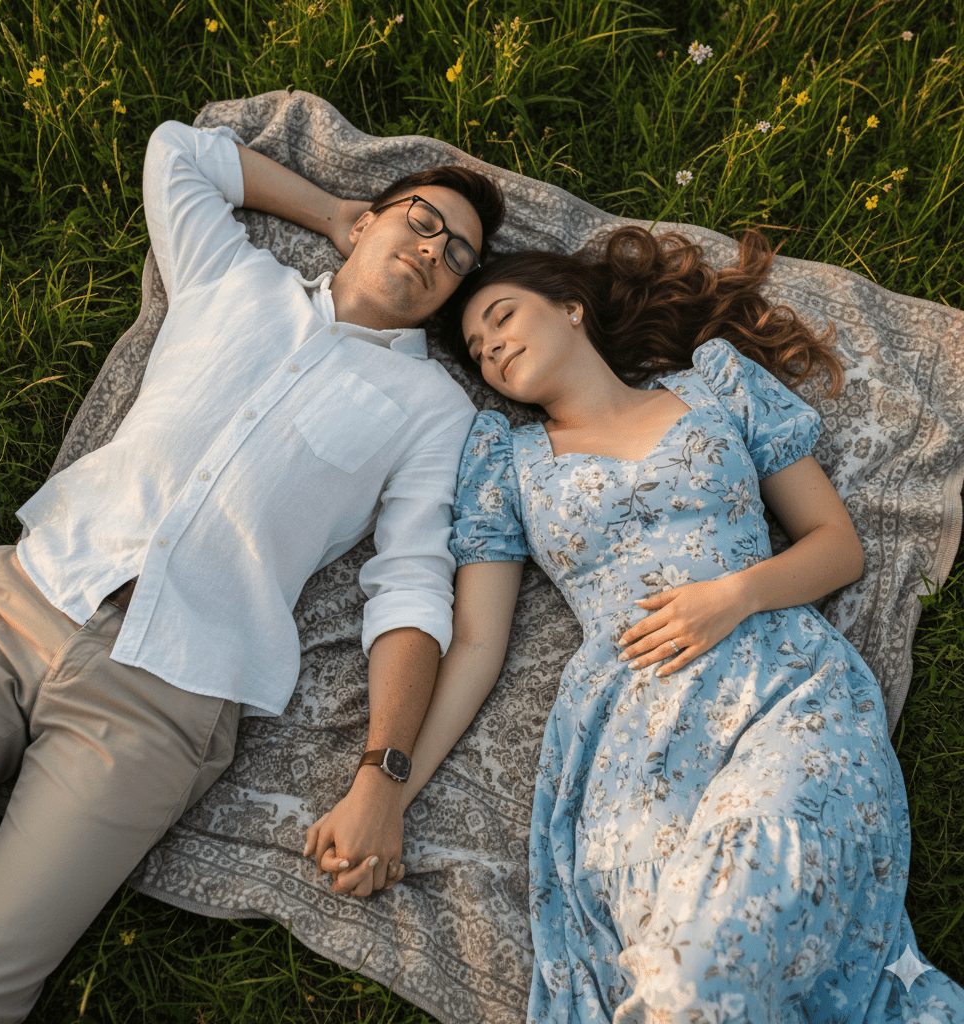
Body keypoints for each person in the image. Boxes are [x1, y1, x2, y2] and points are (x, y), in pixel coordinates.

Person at [310, 227, 964, 1020]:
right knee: (685, 976)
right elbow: (479, 645)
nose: (491, 351)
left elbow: (839, 548)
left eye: (503, 319)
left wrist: (735, 595)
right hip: (639, 730)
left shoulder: (715, 387)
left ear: (572, 308)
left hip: (784, 684)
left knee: (741, 913)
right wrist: (387, 791)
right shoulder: (505, 462)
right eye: (478, 350)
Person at [0, 117, 503, 1023]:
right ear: (374, 222)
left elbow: (409, 588)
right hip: (27, 604)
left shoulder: (432, 407)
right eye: (424, 220)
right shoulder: (233, 277)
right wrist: (328, 210)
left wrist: (383, 778)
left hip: (158, 702)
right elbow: (181, 151)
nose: (438, 249)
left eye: (462, 257)